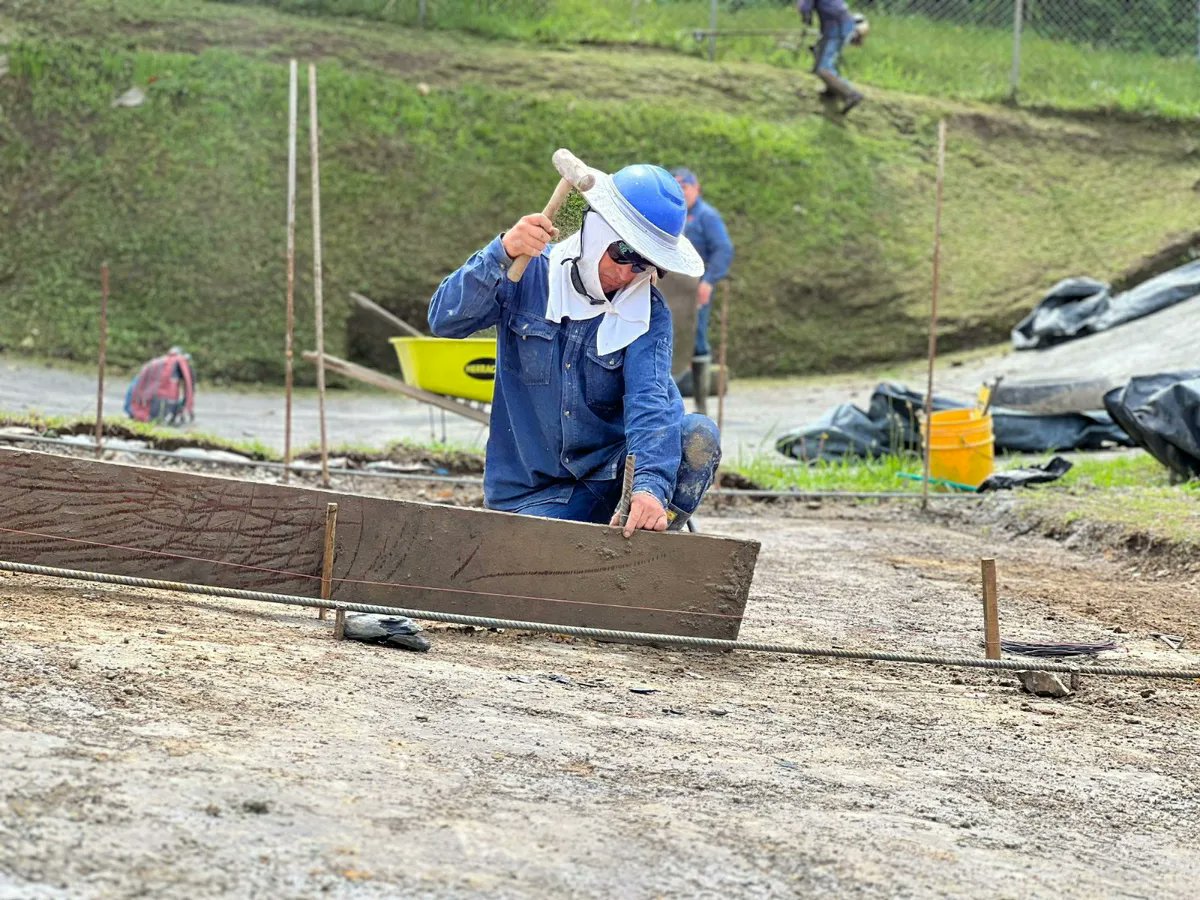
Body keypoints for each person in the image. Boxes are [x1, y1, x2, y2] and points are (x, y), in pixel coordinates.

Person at [428, 163, 722, 536]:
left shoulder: (648, 313)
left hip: (610, 484)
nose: (628, 273)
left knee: (696, 437)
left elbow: (651, 404)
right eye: (623, 252)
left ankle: (649, 545)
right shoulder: (528, 273)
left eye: (646, 263)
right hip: (531, 496)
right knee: (545, 556)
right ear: (597, 232)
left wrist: (650, 488)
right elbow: (445, 320)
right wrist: (500, 252)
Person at [671, 168, 733, 418]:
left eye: (685, 187)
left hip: (694, 289)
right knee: (667, 339)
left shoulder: (707, 216)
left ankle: (701, 405)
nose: (682, 192)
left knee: (696, 341)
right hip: (669, 287)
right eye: (677, 188)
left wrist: (708, 282)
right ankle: (669, 403)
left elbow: (723, 250)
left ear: (696, 188)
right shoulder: (673, 215)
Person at [798, 1, 867, 114]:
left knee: (823, 69)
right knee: (819, 56)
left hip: (836, 27)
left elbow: (805, 8)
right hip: (840, 24)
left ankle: (850, 94)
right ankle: (832, 90)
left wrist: (806, 17)